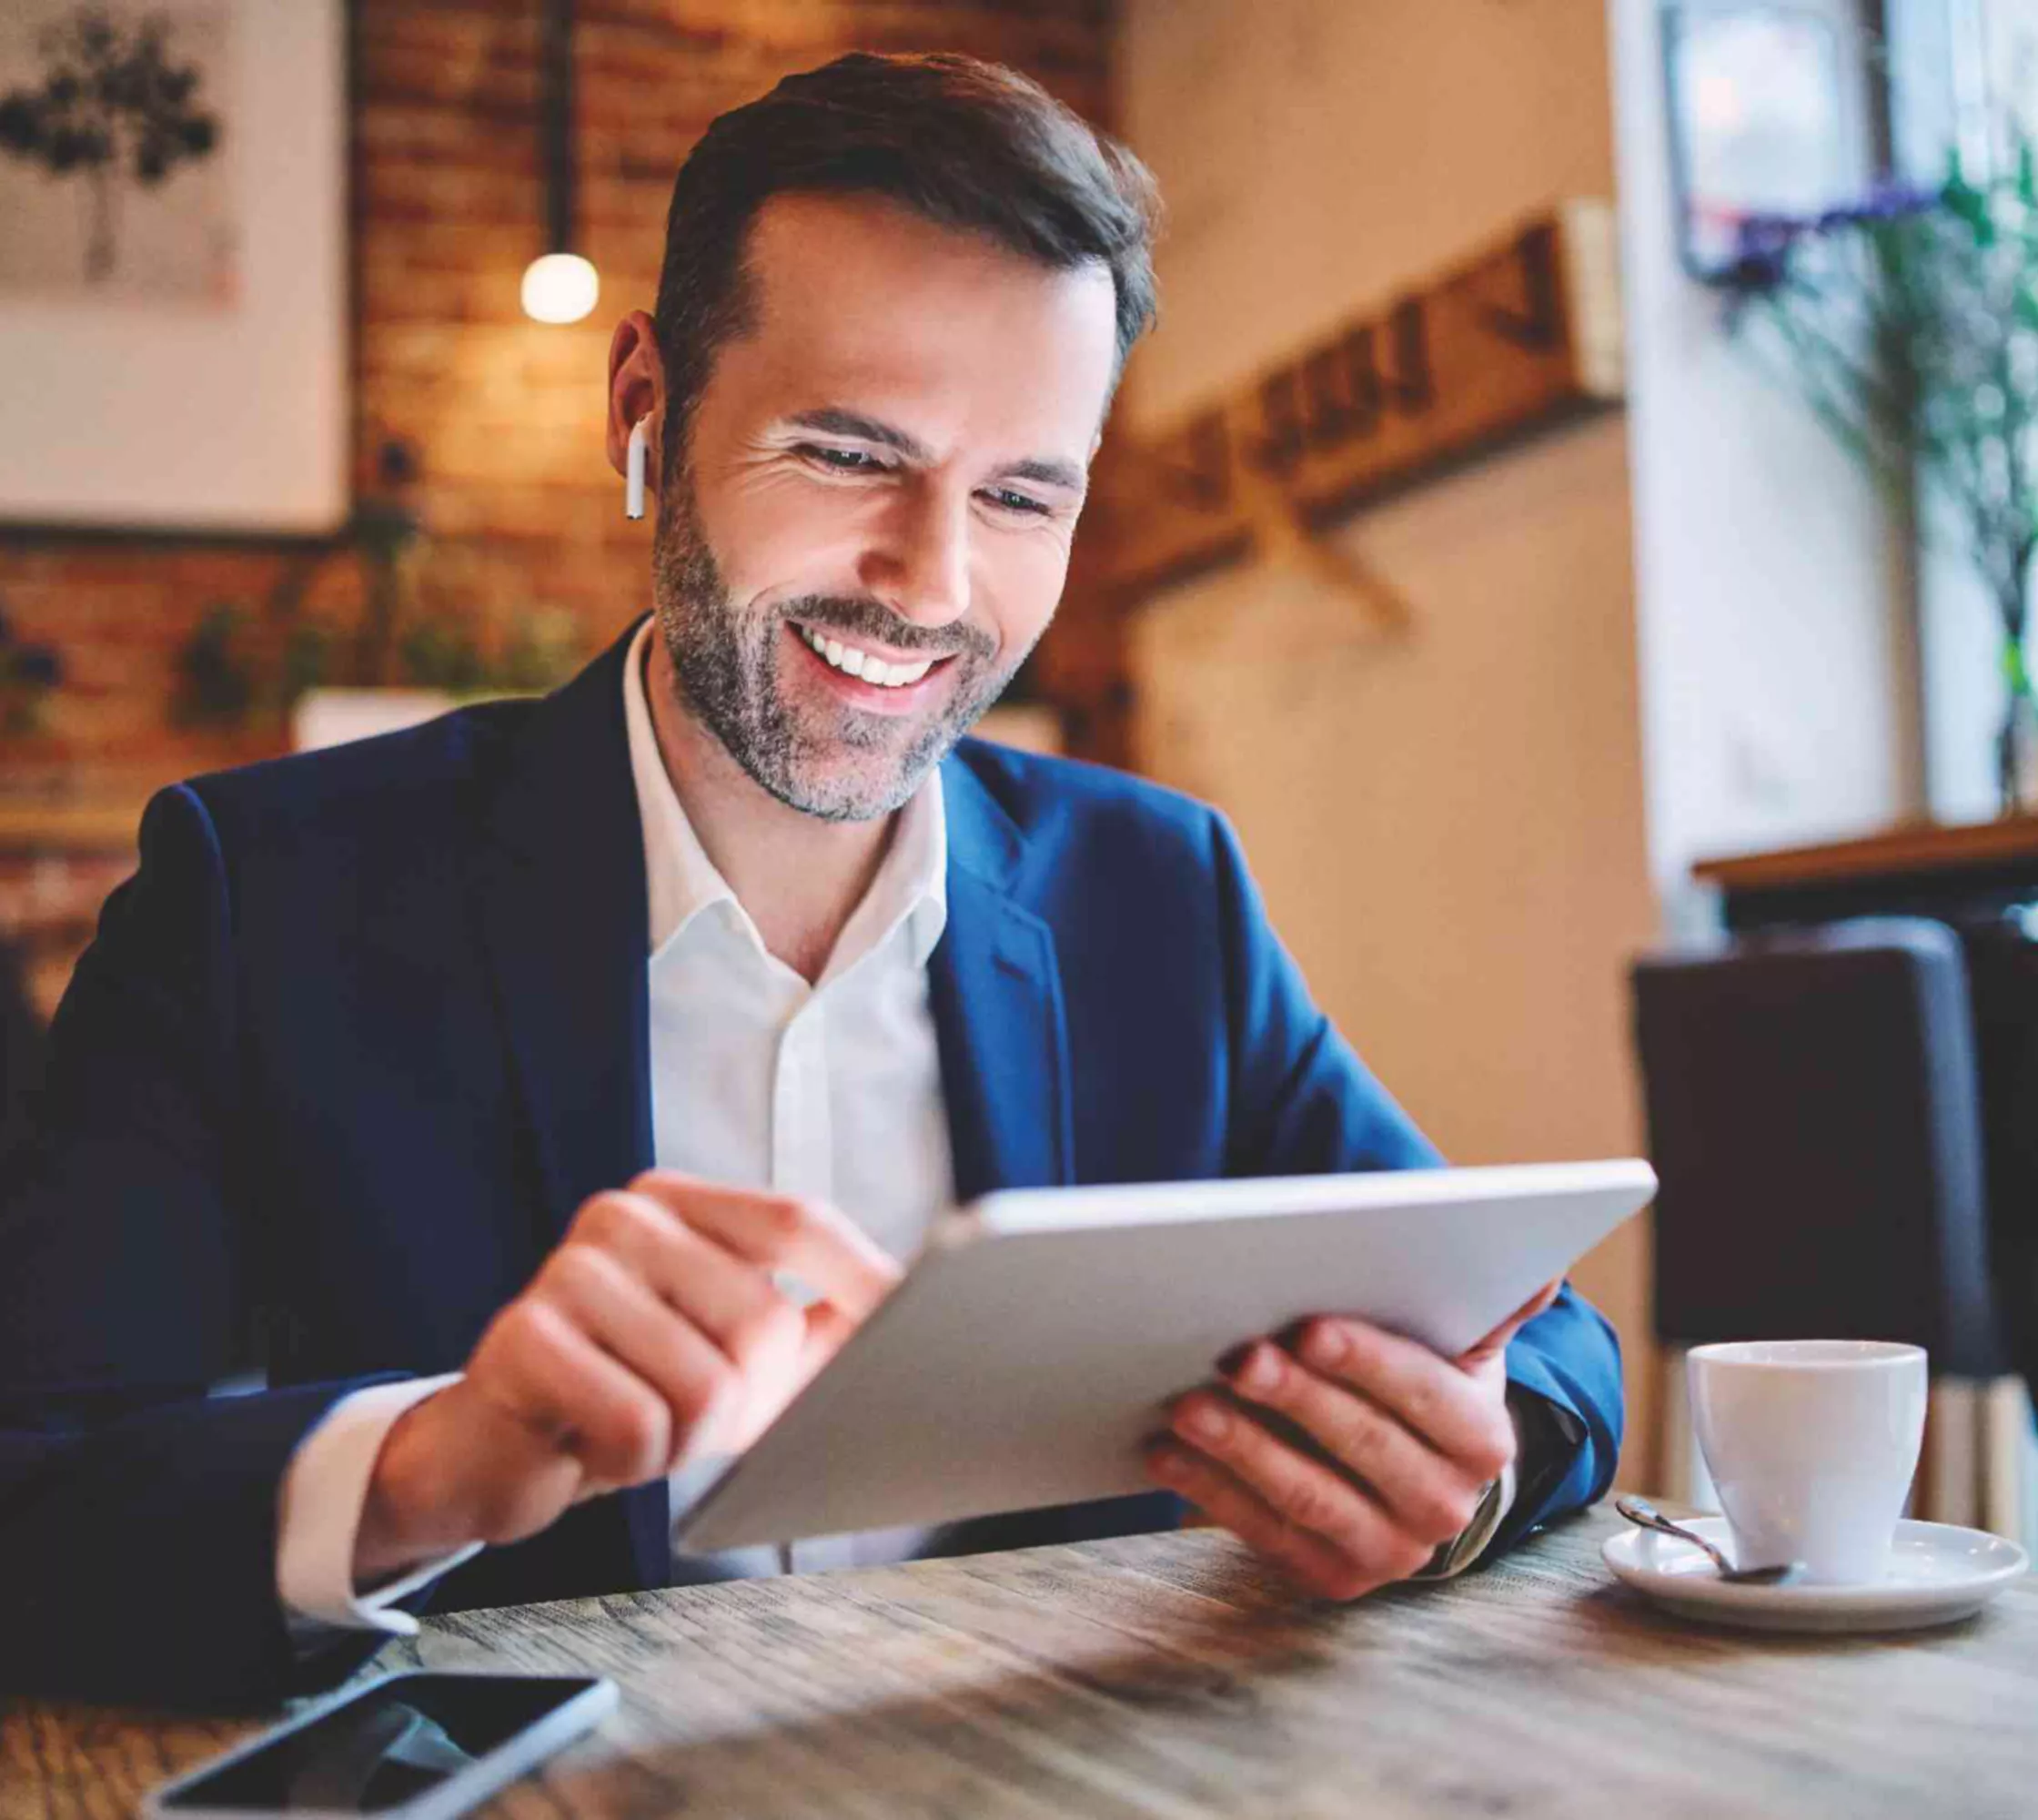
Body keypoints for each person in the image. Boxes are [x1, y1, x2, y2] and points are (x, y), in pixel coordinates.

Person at [0, 52, 1620, 1709]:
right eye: (849, 456)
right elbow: (35, 1503)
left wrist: (1460, 1478)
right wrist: (424, 1464)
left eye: (1019, 494)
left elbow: (1532, 1330)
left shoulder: (1157, 891)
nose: (935, 582)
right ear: (642, 407)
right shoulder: (261, 894)